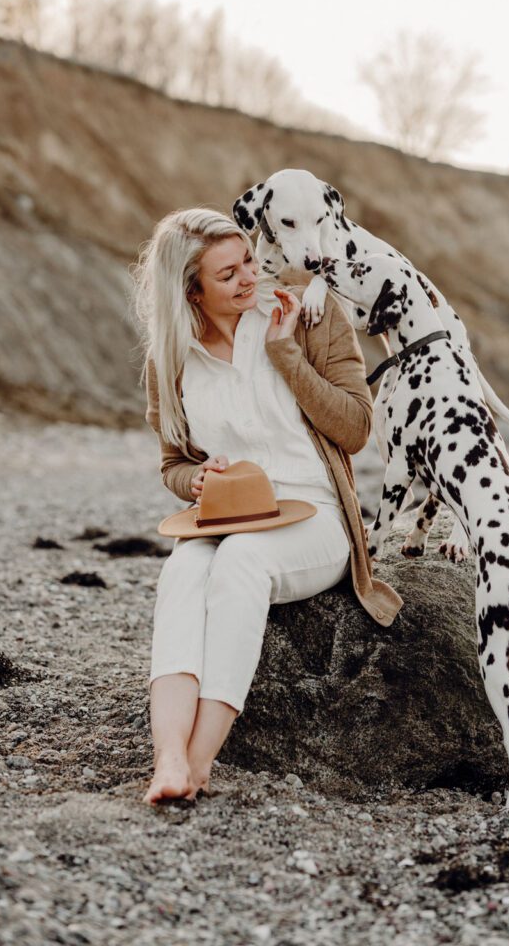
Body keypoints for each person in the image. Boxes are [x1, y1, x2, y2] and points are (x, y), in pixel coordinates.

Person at [130, 207, 402, 804]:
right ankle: (167, 757)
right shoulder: (170, 356)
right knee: (182, 571)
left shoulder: (307, 313)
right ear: (191, 291)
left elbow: (356, 429)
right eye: (227, 275)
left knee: (241, 563)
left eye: (249, 261)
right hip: (227, 515)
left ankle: (198, 762)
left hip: (317, 517)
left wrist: (286, 355)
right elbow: (173, 463)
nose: (250, 278)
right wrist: (197, 479)